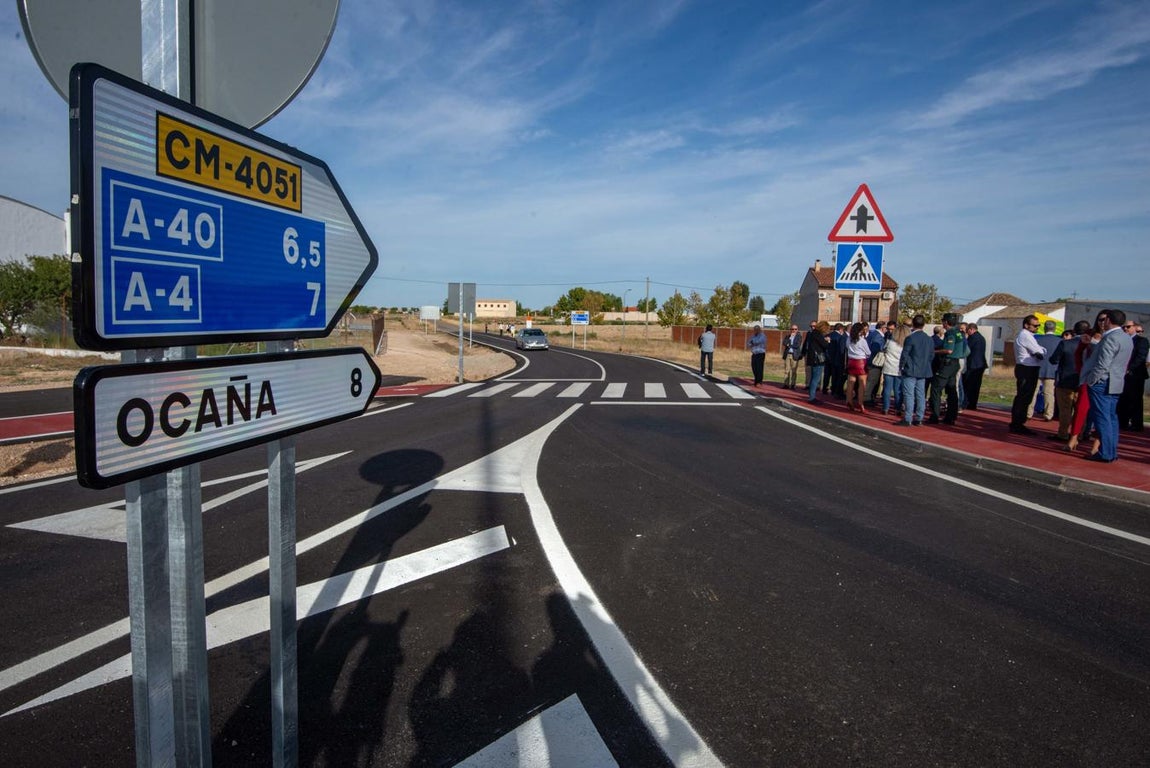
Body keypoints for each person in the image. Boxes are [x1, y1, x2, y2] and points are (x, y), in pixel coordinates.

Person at [1079, 309, 1135, 462]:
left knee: (1102, 418)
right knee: (1111, 417)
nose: (1102, 322)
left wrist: (1092, 379)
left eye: (1104, 320)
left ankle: (1105, 453)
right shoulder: (1126, 337)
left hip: (1102, 381)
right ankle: (1111, 451)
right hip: (1116, 381)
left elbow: (1103, 363)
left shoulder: (1111, 338)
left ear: (1109, 320)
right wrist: (1091, 342)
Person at [1049, 321, 1091, 443]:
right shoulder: (1091, 345)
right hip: (1082, 381)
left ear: (1074, 330)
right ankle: (1080, 433)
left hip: (1065, 380)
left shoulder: (1065, 344)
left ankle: (1063, 433)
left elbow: (1054, 360)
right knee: (1081, 409)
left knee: (1065, 409)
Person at [1009, 314, 1046, 435]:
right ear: (1026, 325)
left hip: (1028, 368)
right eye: (1035, 325)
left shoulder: (1028, 336)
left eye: (1038, 325)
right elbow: (1039, 351)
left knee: (1025, 397)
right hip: (1027, 368)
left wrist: (1041, 351)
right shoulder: (1025, 335)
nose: (1037, 328)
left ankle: (1018, 422)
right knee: (1024, 397)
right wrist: (1041, 351)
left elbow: (1041, 350)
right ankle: (1017, 423)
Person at [895, 315, 934, 426]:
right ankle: (919, 417)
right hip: (923, 369)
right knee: (921, 395)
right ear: (924, 324)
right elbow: (931, 355)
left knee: (909, 394)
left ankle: (908, 418)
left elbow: (905, 354)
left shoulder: (910, 338)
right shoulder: (928, 339)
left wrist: (901, 366)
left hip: (911, 369)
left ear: (913, 324)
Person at [928, 313, 966, 425]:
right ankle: (951, 416)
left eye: (943, 321)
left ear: (946, 322)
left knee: (936, 388)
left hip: (948, 363)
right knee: (952, 390)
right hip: (956, 363)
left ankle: (935, 415)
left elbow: (949, 350)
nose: (942, 323)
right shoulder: (960, 333)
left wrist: (935, 351)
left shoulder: (950, 333)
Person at [1028, 320, 1062, 421]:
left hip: (1037, 368)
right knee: (1049, 393)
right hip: (1052, 370)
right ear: (1054, 329)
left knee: (1033, 392)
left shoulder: (1036, 339)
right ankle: (1048, 414)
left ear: (1044, 328)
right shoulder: (1059, 341)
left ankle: (1028, 413)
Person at [1118, 321, 1147, 432]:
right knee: (1123, 399)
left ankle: (1136, 424)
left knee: (1135, 400)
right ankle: (1123, 422)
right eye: (1124, 327)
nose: (1125, 329)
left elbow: (1141, 357)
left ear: (1135, 327)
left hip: (1136, 375)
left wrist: (1129, 368)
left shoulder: (1141, 341)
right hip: (1123, 374)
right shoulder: (1122, 340)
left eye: (1128, 327)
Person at [881, 322, 908, 416]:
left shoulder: (889, 342)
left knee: (887, 389)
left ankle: (885, 408)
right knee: (898, 390)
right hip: (899, 368)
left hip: (888, 367)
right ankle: (897, 408)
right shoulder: (904, 345)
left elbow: (884, 350)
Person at [844, 322, 870, 413]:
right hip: (860, 362)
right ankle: (860, 403)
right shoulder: (862, 340)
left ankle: (849, 400)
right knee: (862, 384)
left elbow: (847, 347)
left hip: (851, 361)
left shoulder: (849, 339)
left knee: (851, 382)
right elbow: (868, 352)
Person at [962, 322, 988, 410]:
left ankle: (966, 402)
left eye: (967, 331)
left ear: (971, 329)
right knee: (976, 386)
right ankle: (973, 403)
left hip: (973, 365)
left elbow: (966, 349)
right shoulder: (981, 338)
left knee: (968, 384)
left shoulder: (973, 338)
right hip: (980, 364)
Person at [804, 322, 830, 402]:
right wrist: (828, 341)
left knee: (813, 378)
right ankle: (812, 397)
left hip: (812, 358)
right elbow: (825, 345)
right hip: (818, 359)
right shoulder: (818, 334)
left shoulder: (812, 334)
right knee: (816, 378)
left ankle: (811, 395)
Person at [864, 322, 886, 406]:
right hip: (875, 362)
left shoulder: (872, 334)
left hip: (870, 361)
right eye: (885, 328)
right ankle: (867, 398)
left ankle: (868, 397)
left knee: (871, 380)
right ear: (882, 328)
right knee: (872, 380)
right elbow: (876, 349)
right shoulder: (878, 336)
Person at [781, 324, 804, 389]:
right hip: (788, 354)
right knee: (786, 370)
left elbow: (797, 345)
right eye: (792, 329)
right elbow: (784, 343)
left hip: (795, 355)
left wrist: (789, 344)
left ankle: (793, 384)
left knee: (794, 370)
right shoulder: (788, 336)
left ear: (797, 330)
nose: (794, 330)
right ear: (790, 330)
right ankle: (786, 384)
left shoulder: (799, 336)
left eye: (795, 329)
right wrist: (790, 339)